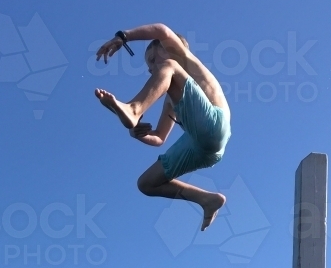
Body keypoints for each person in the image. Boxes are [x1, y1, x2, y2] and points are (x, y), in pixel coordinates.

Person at [95, 24, 231, 230]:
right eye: (149, 67)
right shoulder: (172, 99)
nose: (151, 69)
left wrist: (123, 37)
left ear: (170, 48)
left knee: (169, 66)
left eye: (152, 60)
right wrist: (138, 133)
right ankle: (207, 199)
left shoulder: (183, 60)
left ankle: (134, 108)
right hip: (204, 149)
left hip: (216, 124)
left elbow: (161, 30)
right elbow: (159, 137)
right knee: (146, 184)